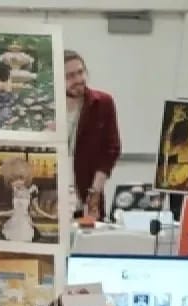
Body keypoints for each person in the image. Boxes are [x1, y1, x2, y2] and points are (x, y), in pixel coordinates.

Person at [64, 51, 121, 218]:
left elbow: (111, 149)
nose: (78, 80)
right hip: (54, 199)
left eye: (80, 72)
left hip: (88, 195)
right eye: (70, 76)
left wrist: (95, 190)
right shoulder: (48, 109)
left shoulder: (102, 103)